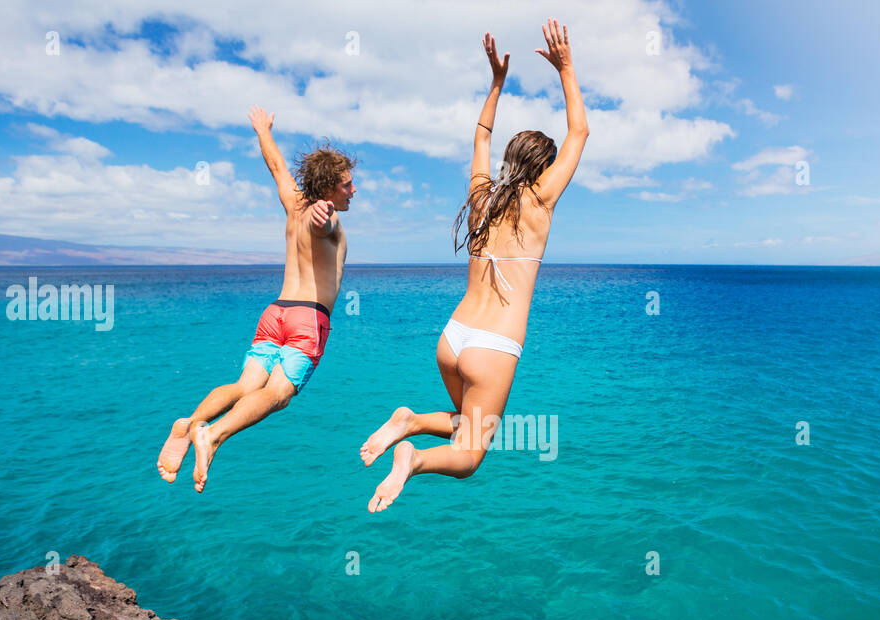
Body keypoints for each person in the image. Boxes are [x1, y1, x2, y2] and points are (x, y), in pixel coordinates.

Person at [359, 20, 588, 512]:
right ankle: (412, 458)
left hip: (454, 336)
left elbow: (480, 135)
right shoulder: (541, 202)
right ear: (544, 169)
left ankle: (410, 419)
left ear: (510, 159)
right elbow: (580, 131)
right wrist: (566, 69)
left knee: (466, 419)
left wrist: (496, 84)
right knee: (468, 456)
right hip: (492, 347)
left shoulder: (480, 199)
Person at [156, 106, 356, 492]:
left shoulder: (293, 205)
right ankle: (212, 436)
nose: (353, 190)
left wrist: (263, 131)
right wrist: (325, 216)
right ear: (329, 189)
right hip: (307, 321)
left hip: (275, 313)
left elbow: (278, 167)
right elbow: (325, 221)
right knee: (278, 395)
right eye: (346, 184)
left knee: (245, 386)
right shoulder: (327, 219)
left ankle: (188, 423)